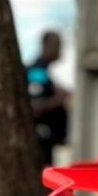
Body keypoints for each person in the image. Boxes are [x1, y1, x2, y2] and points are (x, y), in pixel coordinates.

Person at [27, 31, 69, 166]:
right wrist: (58, 99)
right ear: (46, 45)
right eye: (57, 45)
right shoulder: (37, 72)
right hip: (41, 139)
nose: (60, 50)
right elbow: (36, 106)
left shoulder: (45, 72)